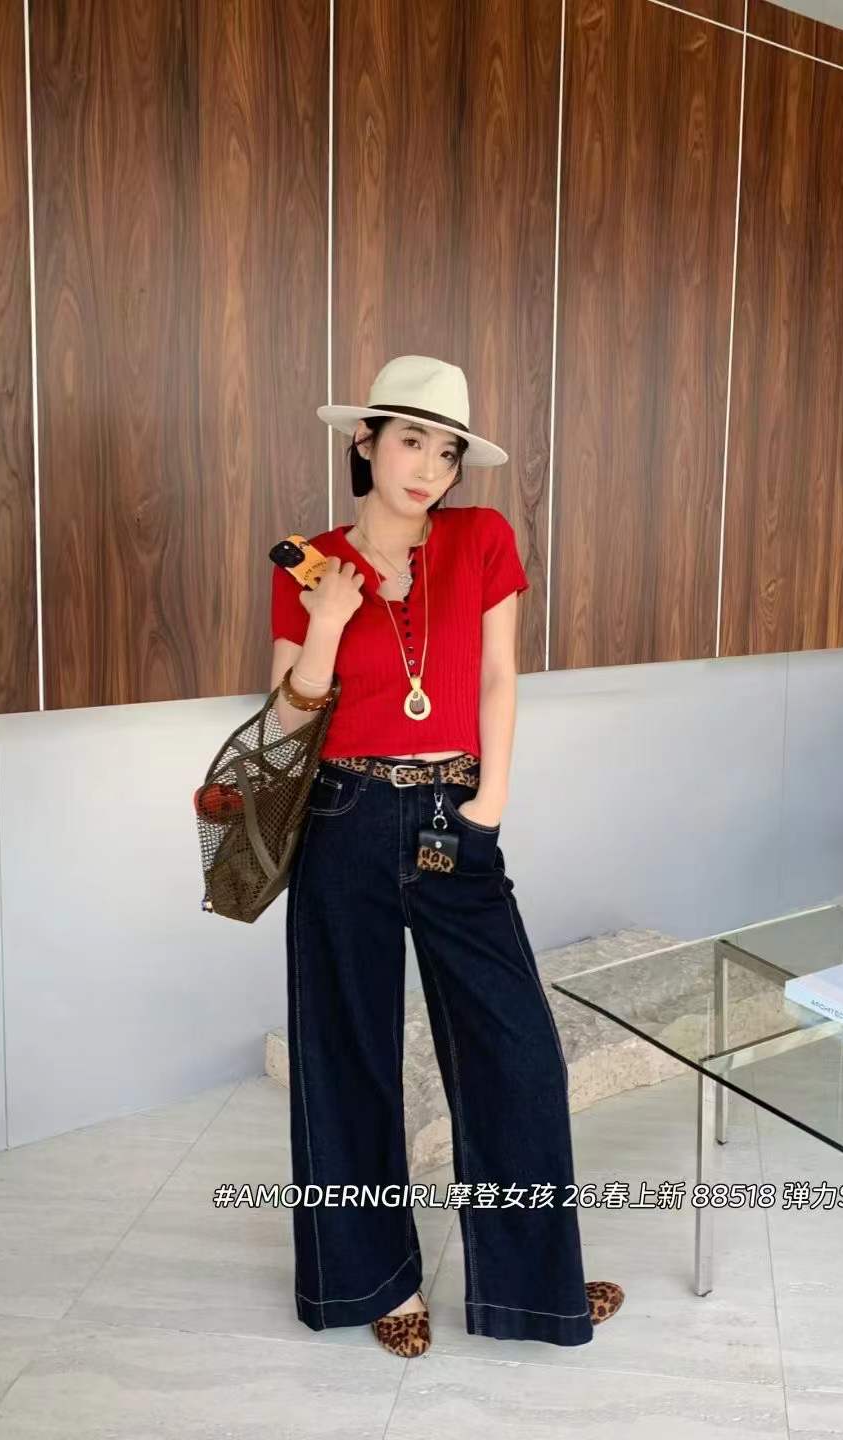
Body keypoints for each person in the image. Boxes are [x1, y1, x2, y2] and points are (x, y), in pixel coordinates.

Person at [269, 355, 624, 1357]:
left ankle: (532, 1287)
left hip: (452, 816)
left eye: (448, 451)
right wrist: (326, 626)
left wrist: (487, 807)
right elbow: (285, 721)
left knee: (517, 1052)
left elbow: (502, 676)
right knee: (346, 1055)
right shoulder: (310, 563)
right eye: (411, 441)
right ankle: (375, 1284)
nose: (430, 467)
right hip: (342, 816)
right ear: (365, 441)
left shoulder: (481, 539)